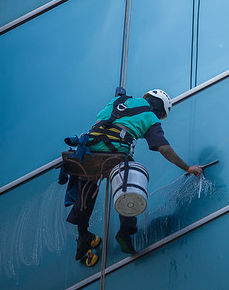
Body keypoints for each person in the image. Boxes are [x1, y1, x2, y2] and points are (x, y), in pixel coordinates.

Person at [65, 89, 202, 263]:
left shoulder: (116, 101)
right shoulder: (151, 117)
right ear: (160, 111)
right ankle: (125, 231)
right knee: (129, 184)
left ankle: (83, 234)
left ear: (146, 97)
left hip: (88, 153)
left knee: (85, 192)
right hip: (114, 154)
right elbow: (164, 148)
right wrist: (187, 168)